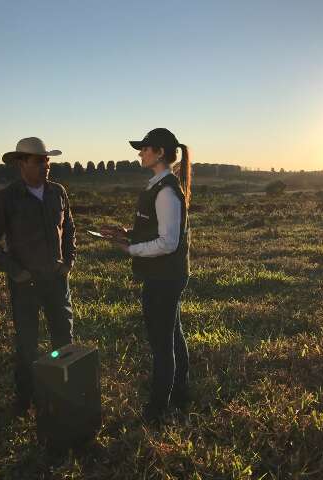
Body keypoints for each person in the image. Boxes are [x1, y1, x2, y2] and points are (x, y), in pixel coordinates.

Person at [0, 137, 76, 417]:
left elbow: (69, 229)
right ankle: (25, 401)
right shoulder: (4, 199)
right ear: (21, 163)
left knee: (63, 341)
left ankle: (64, 396)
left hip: (57, 281)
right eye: (39, 161)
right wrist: (15, 271)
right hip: (25, 285)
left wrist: (68, 261)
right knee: (27, 345)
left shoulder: (58, 192)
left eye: (47, 160)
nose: (46, 166)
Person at [101, 128, 191, 423]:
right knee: (172, 334)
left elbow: (168, 242)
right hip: (165, 275)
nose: (140, 153)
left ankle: (157, 409)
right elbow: (156, 229)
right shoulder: (159, 186)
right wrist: (126, 233)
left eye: (145, 148)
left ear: (160, 153)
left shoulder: (166, 191)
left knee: (162, 344)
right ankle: (180, 394)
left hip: (164, 277)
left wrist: (131, 249)